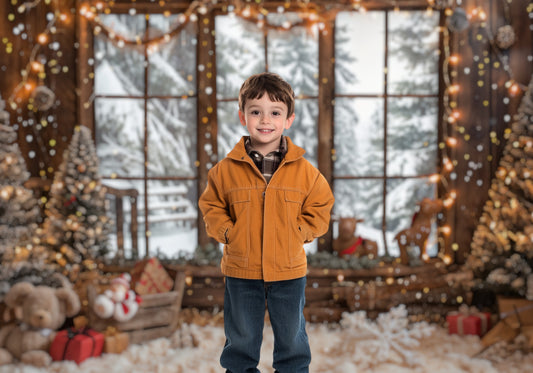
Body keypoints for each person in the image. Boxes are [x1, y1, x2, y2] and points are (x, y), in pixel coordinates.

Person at [198, 72, 334, 373]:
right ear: (242, 116)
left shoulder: (305, 171)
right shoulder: (225, 170)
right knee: (241, 340)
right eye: (255, 111)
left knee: (292, 339)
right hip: (241, 270)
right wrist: (228, 233)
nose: (265, 119)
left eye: (275, 112)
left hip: (288, 270)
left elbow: (321, 206)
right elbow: (211, 206)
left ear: (289, 119)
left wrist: (300, 232)